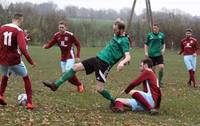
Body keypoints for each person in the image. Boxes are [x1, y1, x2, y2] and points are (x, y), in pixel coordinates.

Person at [43, 19, 131, 104]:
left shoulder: (124, 41)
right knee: (75, 67)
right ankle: (55, 85)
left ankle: (114, 101)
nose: (114, 31)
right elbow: (120, 26)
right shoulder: (118, 35)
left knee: (99, 89)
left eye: (115, 30)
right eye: (113, 29)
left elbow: (128, 56)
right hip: (97, 58)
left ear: (121, 29)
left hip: (104, 64)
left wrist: (122, 62)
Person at [0, 13, 36, 109]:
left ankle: (0, 95)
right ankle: (29, 103)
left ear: (13, 19)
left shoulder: (2, 27)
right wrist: (31, 61)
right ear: (20, 20)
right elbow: (23, 49)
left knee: (5, 75)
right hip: (14, 60)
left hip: (2, 59)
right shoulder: (19, 31)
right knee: (26, 77)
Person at [43, 20, 84, 93]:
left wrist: (78, 55)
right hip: (63, 57)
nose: (61, 29)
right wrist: (46, 46)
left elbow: (78, 44)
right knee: (67, 76)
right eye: (59, 27)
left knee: (68, 72)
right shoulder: (56, 35)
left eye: (62, 27)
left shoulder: (70, 35)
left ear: (66, 28)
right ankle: (79, 84)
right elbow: (51, 43)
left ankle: (79, 85)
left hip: (70, 56)